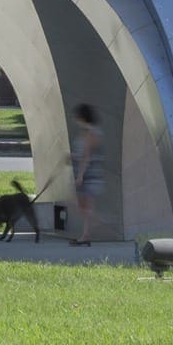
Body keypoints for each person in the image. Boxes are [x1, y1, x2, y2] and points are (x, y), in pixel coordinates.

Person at [69, 102, 104, 246]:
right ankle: (87, 233)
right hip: (87, 174)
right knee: (83, 207)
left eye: (78, 117)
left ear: (83, 117)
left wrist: (80, 175)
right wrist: (72, 156)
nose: (76, 119)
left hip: (90, 176)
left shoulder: (91, 133)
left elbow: (87, 156)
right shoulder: (88, 132)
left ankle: (92, 230)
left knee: (85, 208)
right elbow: (82, 154)